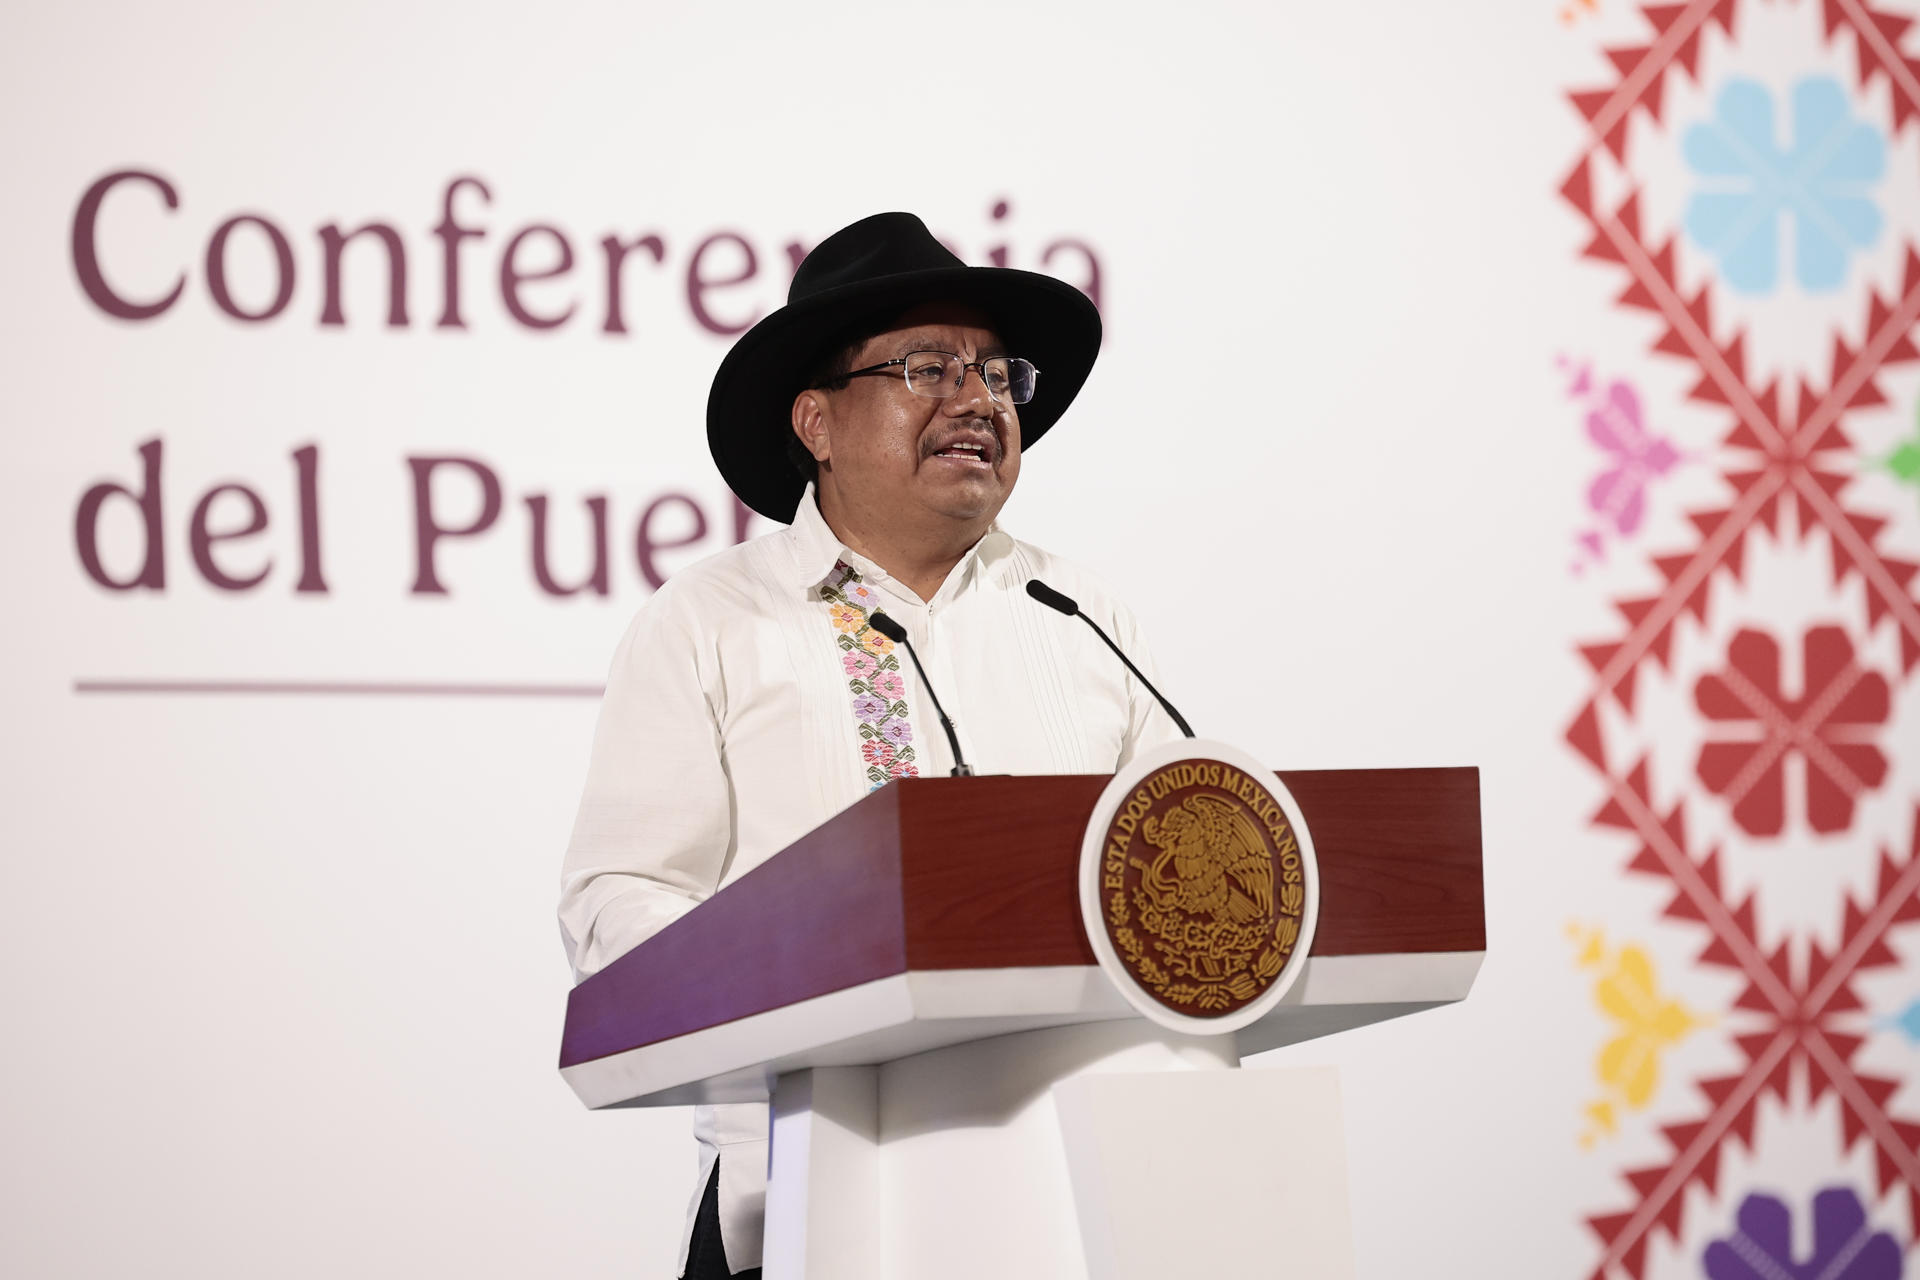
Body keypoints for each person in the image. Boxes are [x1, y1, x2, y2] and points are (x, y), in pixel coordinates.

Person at [558, 211, 1183, 1280]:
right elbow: (620, 900)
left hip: (1071, 1202)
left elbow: (1173, 877)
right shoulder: (712, 618)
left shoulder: (1077, 612)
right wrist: (784, 978)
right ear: (817, 421)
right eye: (926, 366)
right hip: (800, 1190)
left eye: (995, 372)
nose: (977, 399)